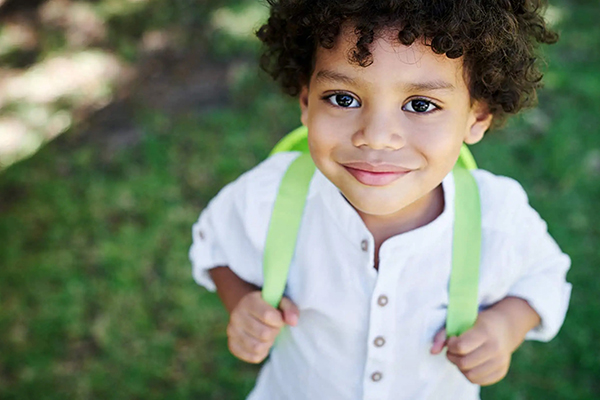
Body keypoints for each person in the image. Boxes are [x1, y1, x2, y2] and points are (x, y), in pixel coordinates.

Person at [189, 1, 572, 398]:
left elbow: (543, 276)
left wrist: (506, 326)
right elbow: (215, 244)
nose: (375, 135)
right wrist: (241, 304)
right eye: (343, 98)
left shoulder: (498, 217)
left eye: (420, 105)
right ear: (306, 101)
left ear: (476, 117)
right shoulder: (269, 196)